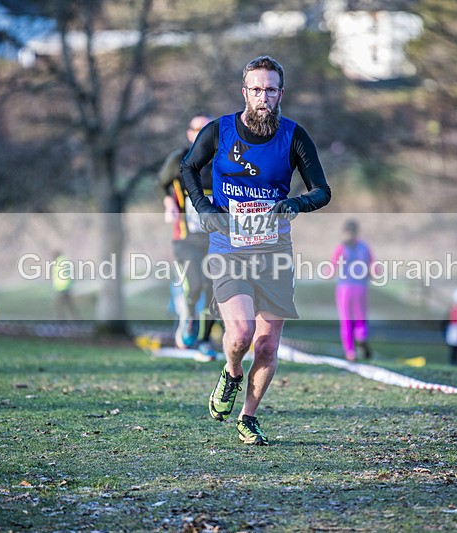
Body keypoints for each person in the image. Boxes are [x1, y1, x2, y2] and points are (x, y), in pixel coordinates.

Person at [180, 55, 331, 445]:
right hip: (229, 246)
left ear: (281, 93)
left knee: (266, 344)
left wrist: (296, 204)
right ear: (244, 92)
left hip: (274, 249)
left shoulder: (295, 136)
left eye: (270, 89)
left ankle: (248, 417)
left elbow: (322, 190)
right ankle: (231, 372)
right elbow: (187, 169)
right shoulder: (219, 131)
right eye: (256, 89)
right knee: (242, 334)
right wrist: (204, 208)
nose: (263, 96)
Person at [158, 114, 218, 358]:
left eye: (208, 129)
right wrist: (167, 202)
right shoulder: (178, 159)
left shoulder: (222, 160)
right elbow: (160, 183)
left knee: (215, 289)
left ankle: (204, 341)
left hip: (215, 238)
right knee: (194, 285)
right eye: (198, 129)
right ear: (189, 133)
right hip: (185, 237)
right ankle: (189, 315)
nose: (202, 132)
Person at [331, 219, 374, 361]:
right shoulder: (365, 247)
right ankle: (361, 337)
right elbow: (375, 269)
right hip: (360, 287)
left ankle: (350, 352)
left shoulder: (341, 248)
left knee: (346, 320)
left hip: (344, 288)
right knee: (360, 318)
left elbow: (330, 270)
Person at [52, 251, 80, 320]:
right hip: (67, 286)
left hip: (61, 287)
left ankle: (59, 319)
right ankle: (76, 319)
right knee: (70, 306)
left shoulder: (58, 262)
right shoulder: (66, 260)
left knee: (58, 306)